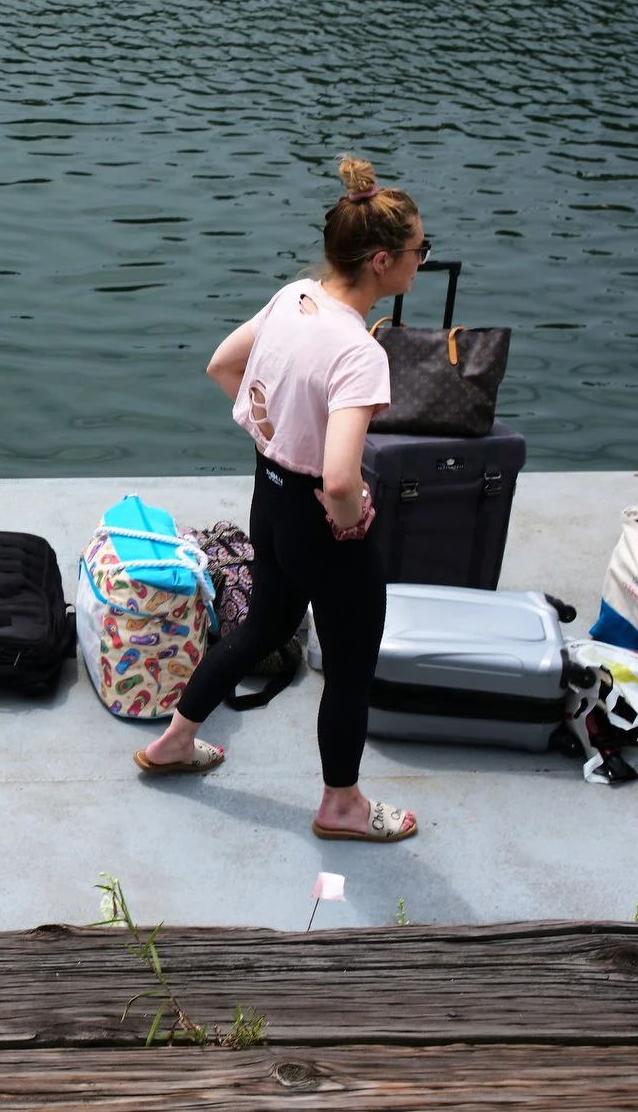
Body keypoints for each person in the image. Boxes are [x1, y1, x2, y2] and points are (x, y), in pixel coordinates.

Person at [135, 156, 424, 845]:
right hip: (321, 524)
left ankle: (175, 741)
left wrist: (280, 434)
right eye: (420, 250)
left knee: (263, 626)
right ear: (382, 261)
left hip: (268, 495)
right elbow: (340, 479)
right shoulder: (360, 352)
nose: (423, 260)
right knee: (351, 667)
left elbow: (222, 366)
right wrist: (351, 525)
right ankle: (342, 806)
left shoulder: (295, 297)